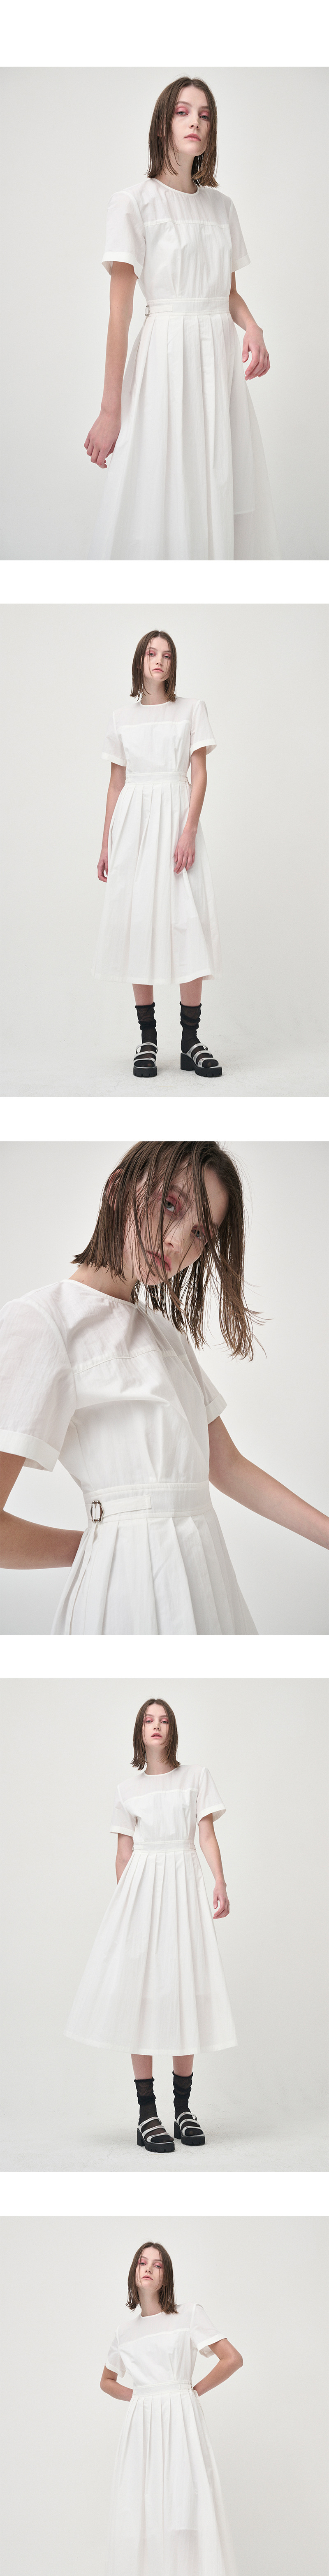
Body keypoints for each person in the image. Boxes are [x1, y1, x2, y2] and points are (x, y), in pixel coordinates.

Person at [0, 1141, 327, 1637]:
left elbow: (228, 1467)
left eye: (200, 1233)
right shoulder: (43, 1322)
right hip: (126, 1589)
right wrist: (98, 1548)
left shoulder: (165, 1334)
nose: (176, 1242)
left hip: (206, 1574)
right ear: (117, 1188)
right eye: (171, 1204)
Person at [85, 74, 278, 560]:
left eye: (205, 115)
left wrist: (252, 326)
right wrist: (110, 410)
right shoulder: (133, 203)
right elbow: (119, 314)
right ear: (163, 125)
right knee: (163, 489)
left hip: (217, 365)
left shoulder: (221, 208)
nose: (195, 121)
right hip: (166, 362)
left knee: (216, 483)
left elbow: (226, 293)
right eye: (183, 112)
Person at [66, 1695, 236, 2152]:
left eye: (163, 1720)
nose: (156, 1725)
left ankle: (183, 2109)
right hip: (141, 1892)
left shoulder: (196, 1777)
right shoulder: (128, 1789)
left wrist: (220, 1880)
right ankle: (147, 2114)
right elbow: (123, 1854)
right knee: (141, 1995)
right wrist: (127, 1910)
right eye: (148, 1720)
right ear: (140, 1731)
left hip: (183, 1886)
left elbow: (206, 1834)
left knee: (185, 1989)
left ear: (172, 1729)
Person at [101, 2238, 242, 2576]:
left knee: (182, 2525)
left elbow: (232, 2358)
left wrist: (190, 2391)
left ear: (167, 2275)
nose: (148, 2268)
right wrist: (141, 2398)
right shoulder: (124, 2334)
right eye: (142, 2261)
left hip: (180, 2426)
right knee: (155, 2528)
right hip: (143, 2433)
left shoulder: (188, 2316)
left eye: (157, 2263)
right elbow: (106, 2380)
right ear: (133, 2272)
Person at [95, 626, 222, 1080]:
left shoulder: (191, 710)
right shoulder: (121, 718)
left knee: (188, 922)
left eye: (167, 655)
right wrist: (106, 842)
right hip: (134, 826)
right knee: (140, 923)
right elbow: (116, 784)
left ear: (173, 664)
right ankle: (147, 1040)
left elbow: (199, 774)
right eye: (152, 653)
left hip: (176, 820)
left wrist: (189, 830)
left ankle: (190, 1042)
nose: (159, 661)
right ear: (140, 661)